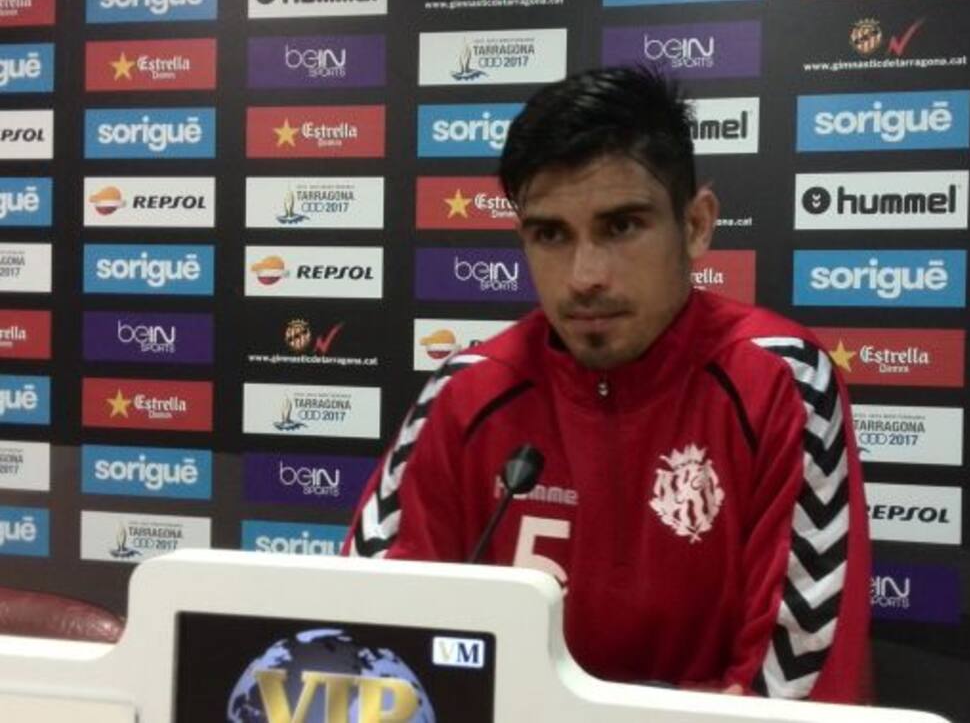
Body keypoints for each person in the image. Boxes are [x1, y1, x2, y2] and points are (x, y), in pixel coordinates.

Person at [344, 65, 870, 702]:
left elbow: (795, 692)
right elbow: (369, 648)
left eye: (621, 226)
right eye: (550, 234)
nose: (584, 276)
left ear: (697, 225)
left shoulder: (779, 382)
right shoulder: (464, 395)